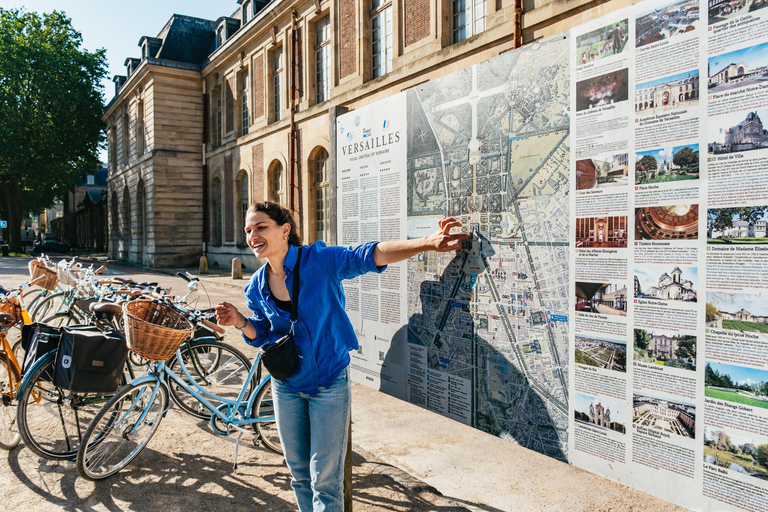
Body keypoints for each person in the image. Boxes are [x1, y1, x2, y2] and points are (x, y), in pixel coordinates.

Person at [215, 201, 469, 512]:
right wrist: (240, 322)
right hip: (286, 385)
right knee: (298, 474)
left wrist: (426, 243)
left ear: (285, 230)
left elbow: (370, 254)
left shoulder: (318, 260)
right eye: (248, 230)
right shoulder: (256, 286)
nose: (253, 235)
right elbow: (266, 336)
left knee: (325, 480)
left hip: (329, 385)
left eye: (260, 227)